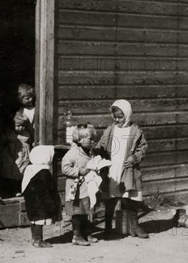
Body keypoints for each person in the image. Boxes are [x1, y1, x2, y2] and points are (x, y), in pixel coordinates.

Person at [96, 99, 149, 238]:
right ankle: (107, 227)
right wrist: (97, 152)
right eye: (115, 117)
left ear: (127, 115)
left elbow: (142, 148)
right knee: (110, 199)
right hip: (112, 169)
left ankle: (135, 226)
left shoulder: (135, 131)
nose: (117, 119)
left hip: (127, 170)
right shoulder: (110, 129)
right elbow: (101, 144)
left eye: (120, 117)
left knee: (130, 199)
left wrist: (135, 158)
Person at [62, 125, 99, 246]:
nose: (93, 141)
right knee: (77, 213)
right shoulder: (73, 153)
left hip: (86, 187)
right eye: (90, 139)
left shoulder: (89, 151)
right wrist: (78, 171)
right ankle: (76, 236)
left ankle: (85, 233)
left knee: (86, 211)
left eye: (94, 139)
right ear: (80, 140)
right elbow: (65, 168)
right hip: (76, 189)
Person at [22, 146, 61, 248]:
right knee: (39, 220)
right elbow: (47, 189)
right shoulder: (43, 173)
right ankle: (39, 240)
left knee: (34, 220)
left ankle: (34, 238)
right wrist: (51, 202)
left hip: (32, 201)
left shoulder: (30, 170)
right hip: (41, 202)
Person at [0, 112, 32, 196]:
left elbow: (30, 142)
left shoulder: (26, 134)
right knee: (9, 173)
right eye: (18, 126)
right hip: (11, 155)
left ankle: (18, 190)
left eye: (23, 126)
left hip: (23, 157)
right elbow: (3, 142)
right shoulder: (10, 133)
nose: (21, 128)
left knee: (21, 173)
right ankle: (8, 190)